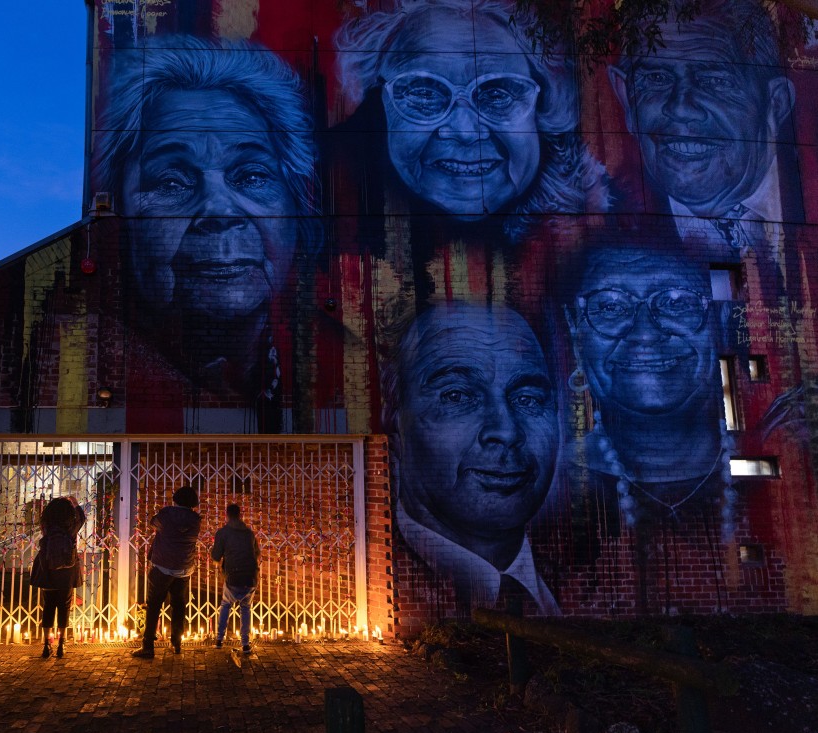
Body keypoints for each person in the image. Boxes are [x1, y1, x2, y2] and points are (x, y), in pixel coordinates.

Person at [93, 36, 319, 414]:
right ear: (119, 211)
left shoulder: (344, 362)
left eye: (251, 176)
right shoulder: (80, 356)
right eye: (170, 182)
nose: (218, 210)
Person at [335, 0, 610, 243]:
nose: (465, 131)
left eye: (497, 94)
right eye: (424, 93)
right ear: (379, 105)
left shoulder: (602, 219)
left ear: (544, 107)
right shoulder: (328, 197)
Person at [383, 301, 561, 614]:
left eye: (528, 398)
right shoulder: (378, 580)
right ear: (395, 420)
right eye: (457, 396)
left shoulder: (595, 570)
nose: (506, 430)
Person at [565, 245, 732, 533]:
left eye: (676, 302)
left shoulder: (787, 452)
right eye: (610, 306)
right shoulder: (542, 479)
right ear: (574, 329)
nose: (645, 334)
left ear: (720, 319)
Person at [607, 0, 797, 254]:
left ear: (775, 104)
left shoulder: (806, 191)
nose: (681, 108)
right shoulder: (604, 222)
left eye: (714, 81)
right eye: (657, 78)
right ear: (625, 97)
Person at [132, 486, 203, 659]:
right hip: (184, 568)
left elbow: (152, 522)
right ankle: (176, 643)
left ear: (176, 498)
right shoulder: (195, 519)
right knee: (179, 605)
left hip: (162, 566)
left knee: (154, 605)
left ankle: (148, 646)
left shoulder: (167, 514)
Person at [29, 496, 85, 658]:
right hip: (66, 572)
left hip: (48, 569)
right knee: (64, 606)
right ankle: (61, 645)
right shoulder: (70, 528)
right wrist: (75, 504)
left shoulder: (47, 526)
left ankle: (46, 646)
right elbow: (81, 519)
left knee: (48, 606)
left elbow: (42, 519)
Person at [211, 503, 261, 654]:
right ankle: (245, 644)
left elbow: (215, 556)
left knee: (226, 604)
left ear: (227, 515)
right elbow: (257, 554)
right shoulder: (249, 533)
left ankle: (219, 639)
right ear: (240, 515)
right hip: (250, 577)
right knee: (246, 608)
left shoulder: (223, 533)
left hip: (233, 576)